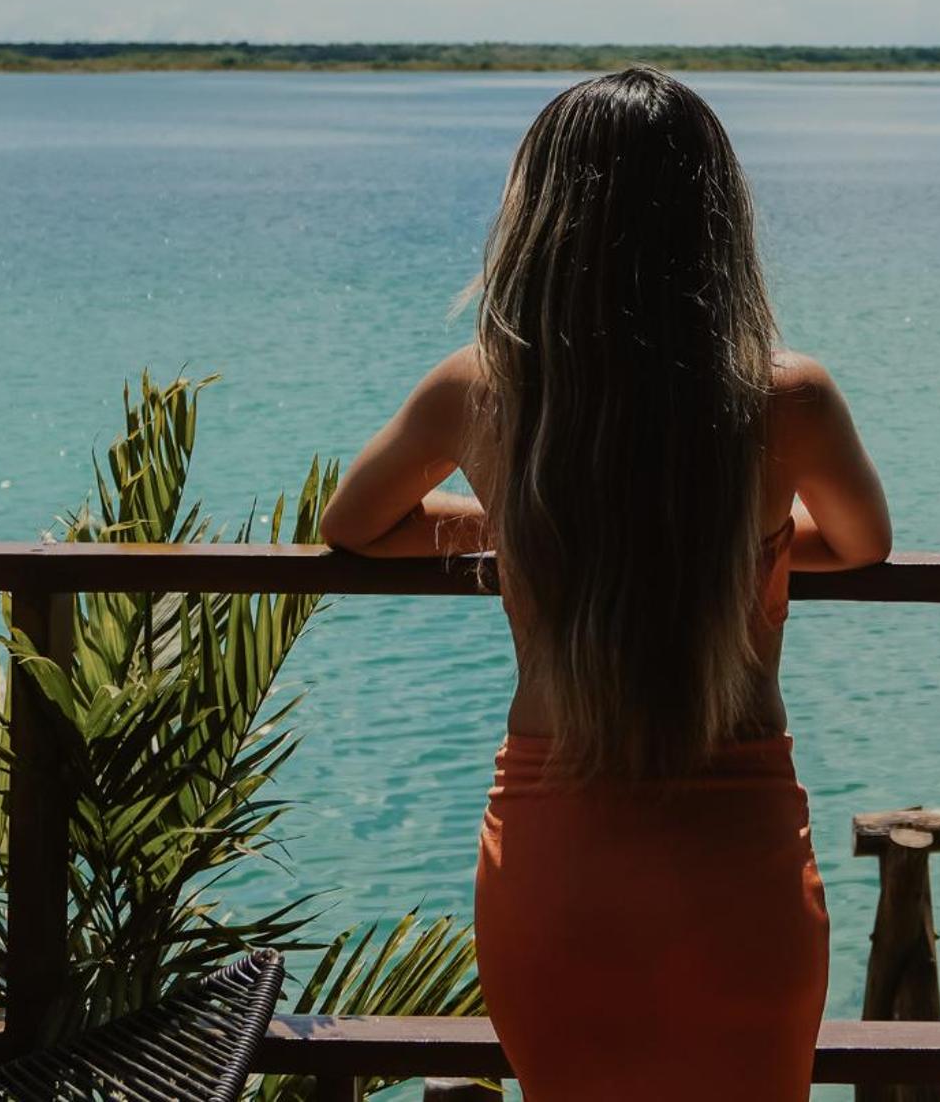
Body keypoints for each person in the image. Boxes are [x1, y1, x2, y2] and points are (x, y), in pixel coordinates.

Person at [321, 66, 892, 1099]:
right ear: (713, 221)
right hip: (736, 848)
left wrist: (528, 521)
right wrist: (731, 534)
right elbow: (860, 544)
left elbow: (355, 525)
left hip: (558, 851)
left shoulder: (477, 390)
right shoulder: (786, 398)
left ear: (541, 219)